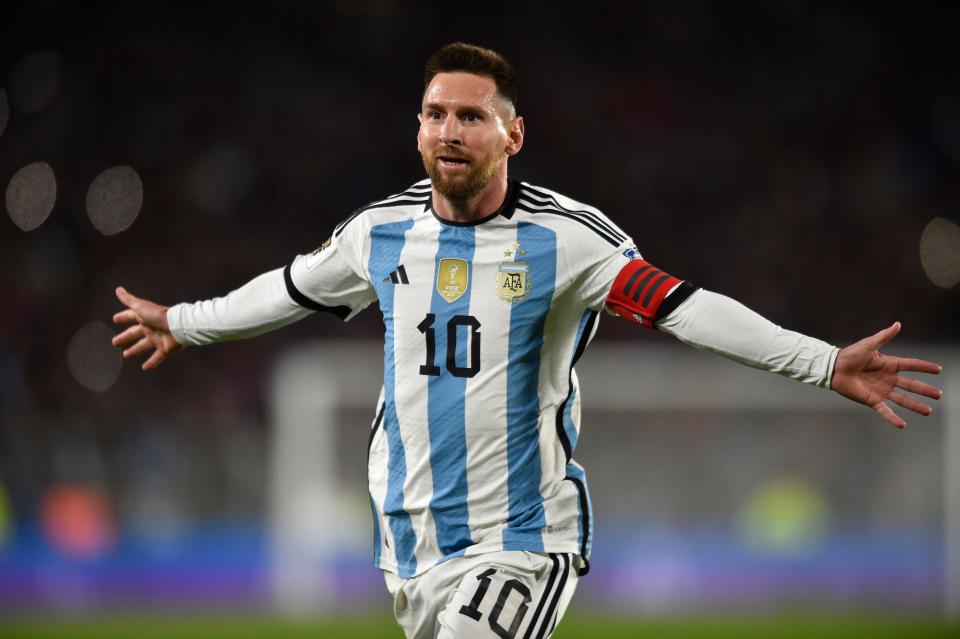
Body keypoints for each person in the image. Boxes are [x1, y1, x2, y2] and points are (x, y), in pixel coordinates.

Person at [112, 43, 943, 639]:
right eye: (434, 113)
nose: (448, 130)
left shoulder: (570, 242)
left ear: (512, 135)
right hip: (408, 543)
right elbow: (288, 288)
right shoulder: (381, 233)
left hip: (521, 540)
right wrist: (184, 322)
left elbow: (687, 306)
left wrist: (823, 361)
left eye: (470, 116)